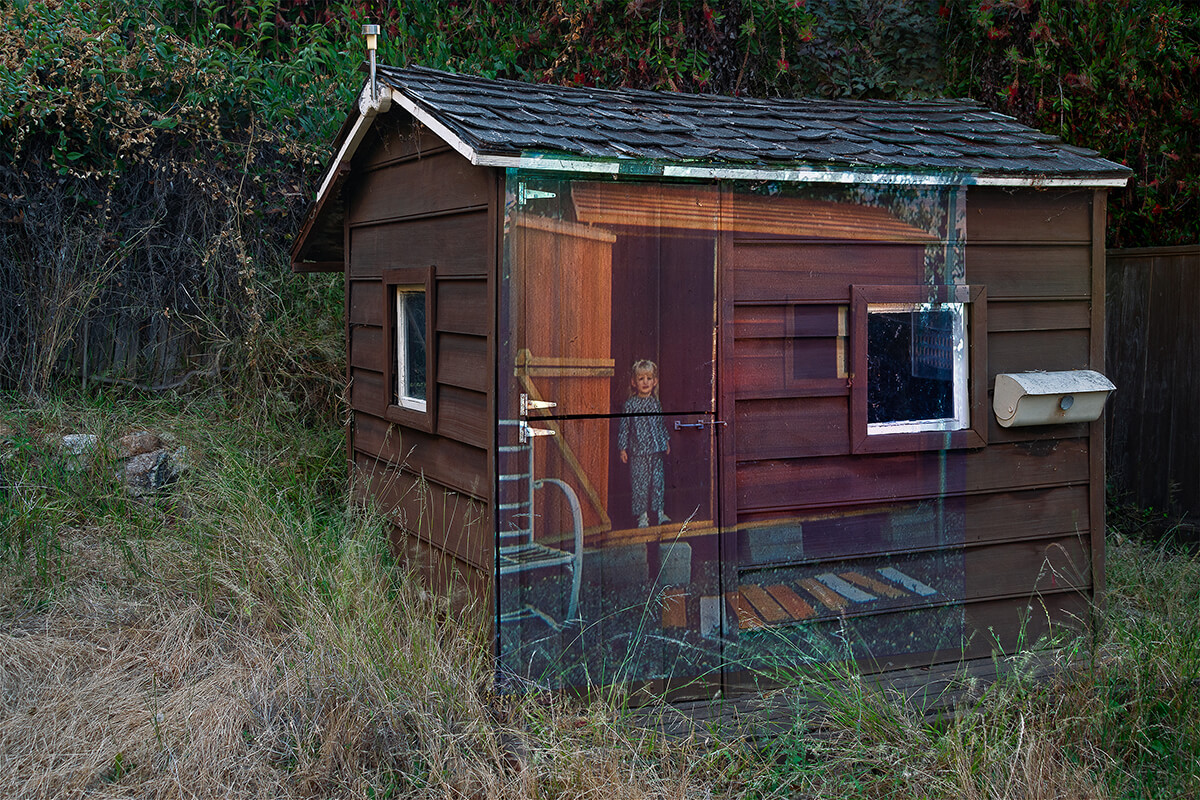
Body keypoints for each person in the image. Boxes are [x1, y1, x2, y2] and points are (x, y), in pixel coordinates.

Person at [618, 359, 670, 528]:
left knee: (657, 482)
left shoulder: (656, 403)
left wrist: (666, 441)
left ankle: (659, 512)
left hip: (656, 450)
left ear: (655, 381)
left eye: (649, 378)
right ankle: (642, 516)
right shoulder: (630, 405)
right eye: (641, 379)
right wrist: (622, 448)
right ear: (634, 382)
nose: (645, 382)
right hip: (638, 451)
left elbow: (660, 424)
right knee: (640, 484)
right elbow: (624, 427)